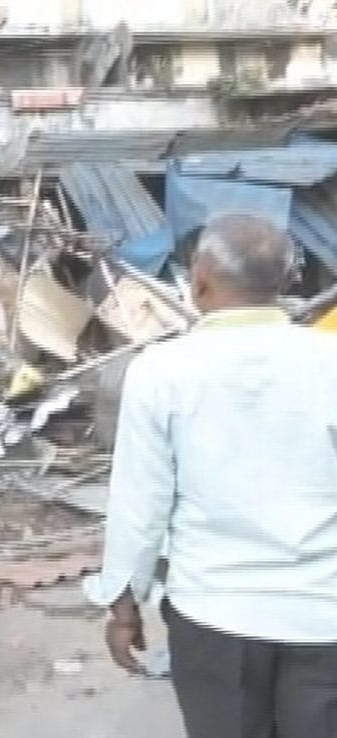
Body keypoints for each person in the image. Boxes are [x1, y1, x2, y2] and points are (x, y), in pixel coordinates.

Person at [85, 214, 337, 738]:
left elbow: (140, 503)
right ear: (288, 280)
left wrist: (123, 603)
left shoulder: (161, 370)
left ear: (199, 280)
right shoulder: (329, 359)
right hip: (324, 614)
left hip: (216, 614)